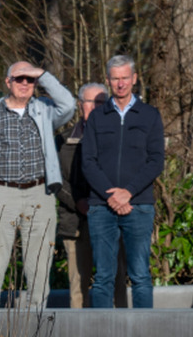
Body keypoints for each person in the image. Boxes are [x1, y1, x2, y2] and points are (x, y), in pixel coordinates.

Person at [0, 59, 76, 310]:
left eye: (30, 79)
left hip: (39, 193)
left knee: (39, 264)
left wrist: (42, 74)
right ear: (8, 82)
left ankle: (35, 320)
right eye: (19, 78)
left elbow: (69, 104)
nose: (25, 83)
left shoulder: (45, 110)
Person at [81, 54, 166, 309]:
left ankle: (144, 331)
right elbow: (89, 162)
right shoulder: (96, 118)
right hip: (101, 206)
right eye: (115, 79)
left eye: (125, 78)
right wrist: (112, 196)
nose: (120, 84)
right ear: (108, 81)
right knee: (104, 277)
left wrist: (127, 192)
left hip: (138, 205)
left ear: (134, 79)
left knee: (140, 275)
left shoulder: (150, 115)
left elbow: (156, 161)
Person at [57, 83, 125, 309]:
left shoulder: (120, 138)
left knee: (116, 282)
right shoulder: (64, 141)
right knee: (79, 285)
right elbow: (56, 179)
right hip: (76, 220)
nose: (96, 107)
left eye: (101, 102)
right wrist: (77, 201)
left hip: (112, 217)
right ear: (79, 105)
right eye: (91, 102)